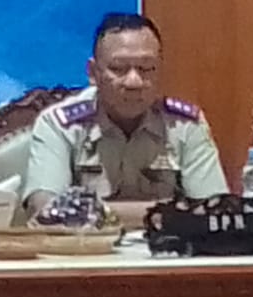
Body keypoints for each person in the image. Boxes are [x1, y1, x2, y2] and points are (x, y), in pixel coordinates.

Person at [23, 13, 228, 229]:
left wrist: (87, 213)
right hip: (86, 249)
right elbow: (44, 211)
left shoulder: (186, 126)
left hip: (165, 248)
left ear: (160, 70)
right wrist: (172, 214)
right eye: (119, 69)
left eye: (146, 69)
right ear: (93, 73)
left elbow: (215, 212)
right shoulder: (60, 125)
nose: (134, 82)